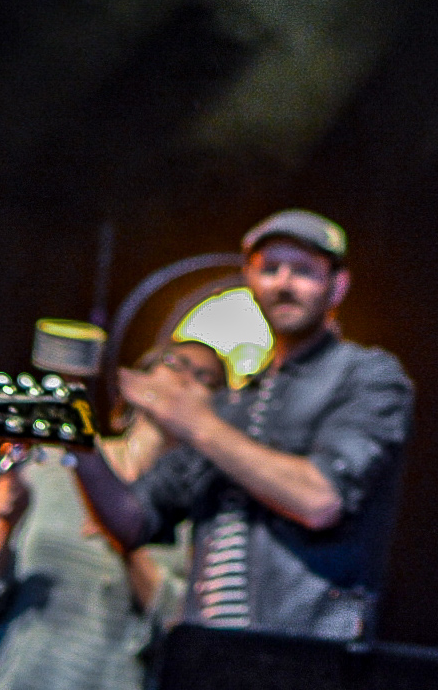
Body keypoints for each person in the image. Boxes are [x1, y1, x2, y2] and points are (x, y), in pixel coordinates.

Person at [75, 211, 413, 639]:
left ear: (338, 285)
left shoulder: (366, 376)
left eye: (304, 271)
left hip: (304, 656)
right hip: (208, 658)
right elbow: (133, 519)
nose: (284, 284)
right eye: (270, 269)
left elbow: (320, 500)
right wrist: (74, 442)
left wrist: (196, 422)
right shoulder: (232, 406)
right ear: (248, 280)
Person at [0, 338, 223, 690]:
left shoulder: (201, 510)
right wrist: (3, 526)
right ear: (136, 382)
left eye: (206, 379)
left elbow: (181, 628)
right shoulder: (52, 463)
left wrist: (124, 538)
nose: (186, 380)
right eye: (176, 363)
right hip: (14, 689)